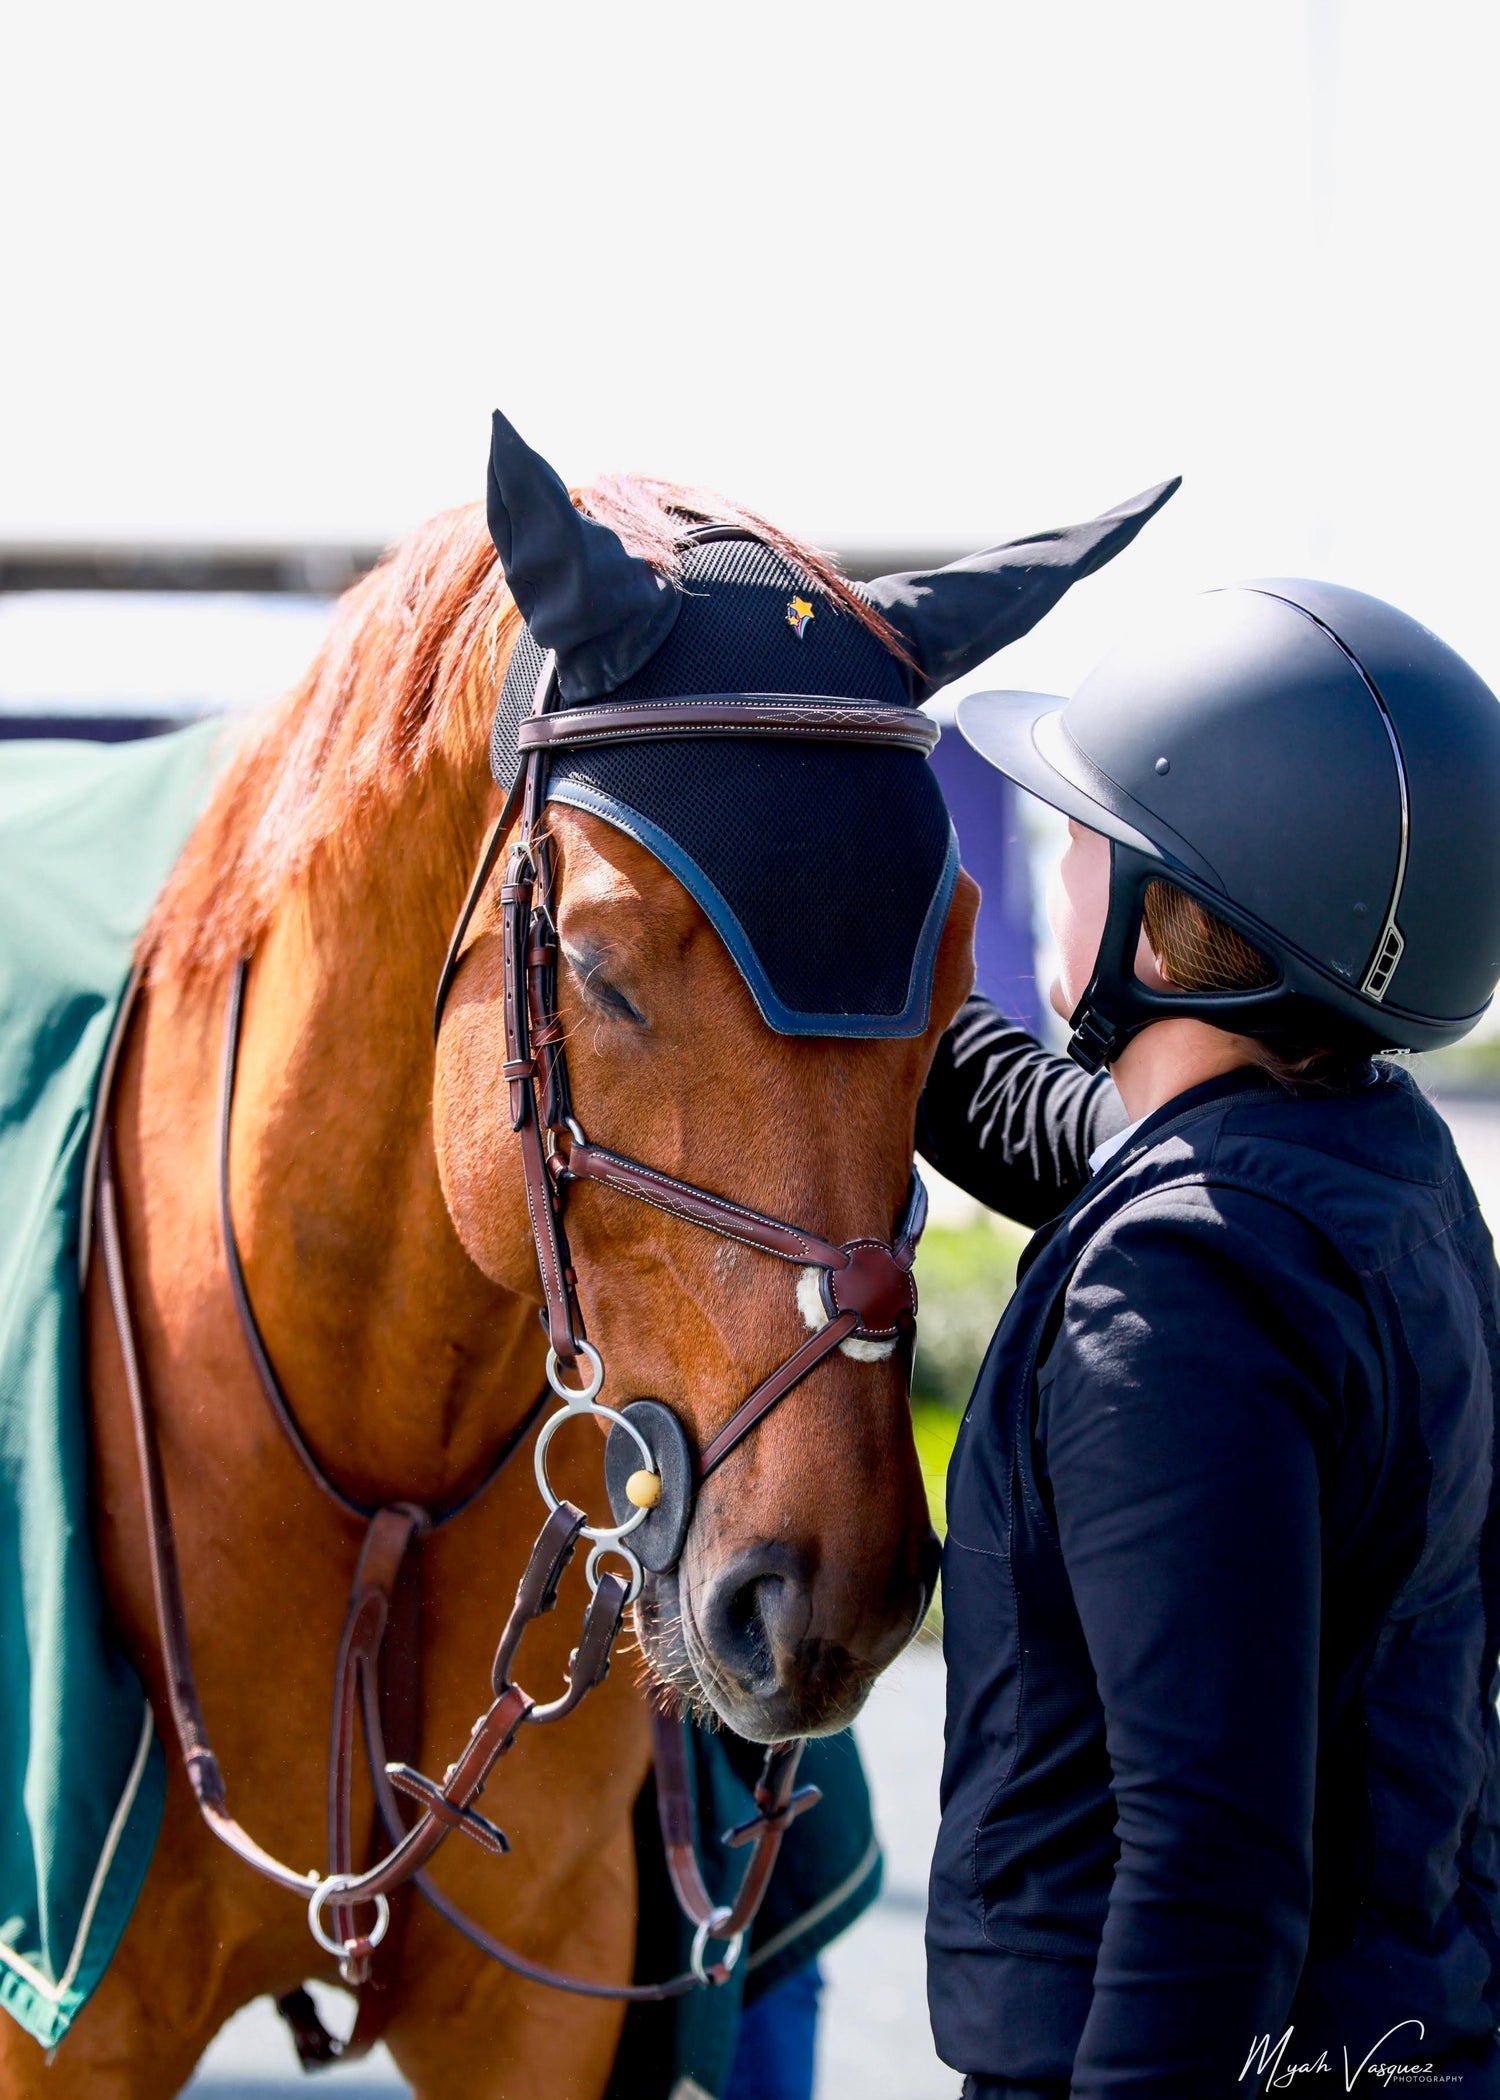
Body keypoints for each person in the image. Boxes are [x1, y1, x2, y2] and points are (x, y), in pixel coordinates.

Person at [917, 580, 1500, 2098]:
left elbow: (1210, 1879)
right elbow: (1079, 1134)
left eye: (1085, 838)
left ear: (1180, 926)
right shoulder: (1381, 1170)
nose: (1058, 864)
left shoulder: (1175, 1301)